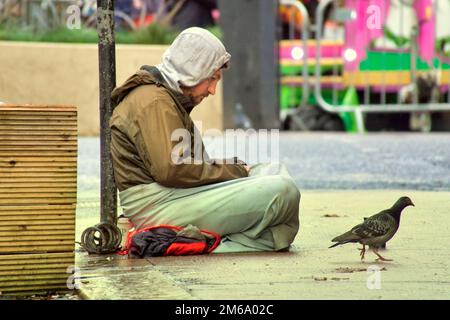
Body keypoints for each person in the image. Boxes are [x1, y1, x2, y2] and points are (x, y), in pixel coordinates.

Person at [109, 27, 300, 253]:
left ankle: (217, 240)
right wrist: (236, 171)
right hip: (156, 205)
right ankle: (209, 243)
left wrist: (235, 169)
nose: (212, 90)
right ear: (193, 70)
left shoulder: (164, 98)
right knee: (282, 190)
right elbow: (173, 170)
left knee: (274, 170)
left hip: (172, 196)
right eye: (212, 79)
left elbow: (186, 167)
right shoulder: (154, 102)